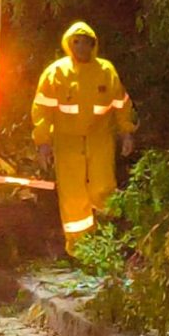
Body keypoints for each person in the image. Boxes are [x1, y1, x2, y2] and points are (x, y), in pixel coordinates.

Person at [31, 22, 137, 254]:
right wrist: (43, 144)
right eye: (75, 42)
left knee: (104, 189)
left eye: (85, 42)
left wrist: (127, 132)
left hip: (100, 139)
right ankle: (81, 249)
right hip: (67, 141)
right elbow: (42, 111)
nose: (80, 47)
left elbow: (121, 104)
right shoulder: (56, 73)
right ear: (69, 45)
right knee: (73, 196)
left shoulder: (106, 71)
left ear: (93, 45)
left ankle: (109, 240)